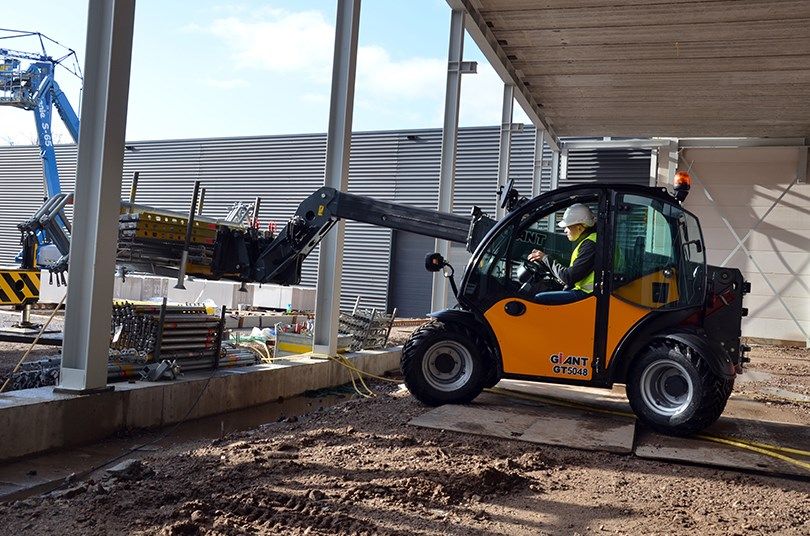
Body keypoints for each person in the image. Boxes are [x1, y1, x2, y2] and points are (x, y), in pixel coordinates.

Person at [527, 203, 597, 305]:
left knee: (539, 298)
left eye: (568, 227)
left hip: (588, 294)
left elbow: (568, 277)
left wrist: (545, 258)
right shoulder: (592, 240)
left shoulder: (590, 245)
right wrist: (546, 260)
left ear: (579, 227)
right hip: (590, 293)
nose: (565, 230)